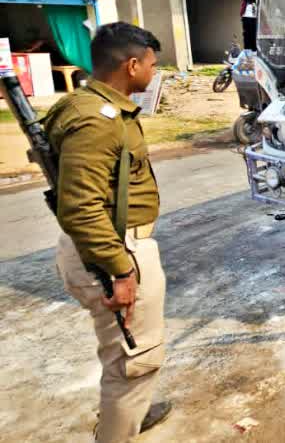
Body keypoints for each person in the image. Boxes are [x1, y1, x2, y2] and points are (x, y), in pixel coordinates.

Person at [43, 22, 173, 442]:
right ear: (131, 65)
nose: (154, 73)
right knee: (134, 360)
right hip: (114, 250)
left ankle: (127, 412)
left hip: (111, 245)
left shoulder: (91, 106)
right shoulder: (96, 121)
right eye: (152, 65)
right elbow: (81, 207)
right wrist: (119, 270)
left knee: (124, 353)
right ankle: (118, 430)